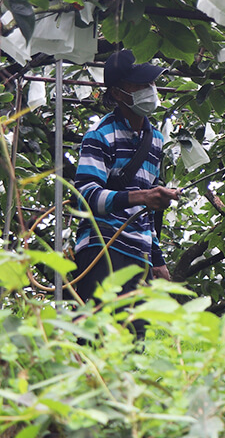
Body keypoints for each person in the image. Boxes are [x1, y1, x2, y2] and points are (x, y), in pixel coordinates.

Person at [73, 49, 180, 339]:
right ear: (119, 94)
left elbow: (147, 211)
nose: (150, 91)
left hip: (138, 252)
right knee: (97, 336)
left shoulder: (155, 139)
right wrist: (141, 197)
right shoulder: (100, 135)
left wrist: (156, 258)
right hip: (102, 248)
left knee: (133, 341)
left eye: (151, 84)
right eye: (141, 85)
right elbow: (85, 195)